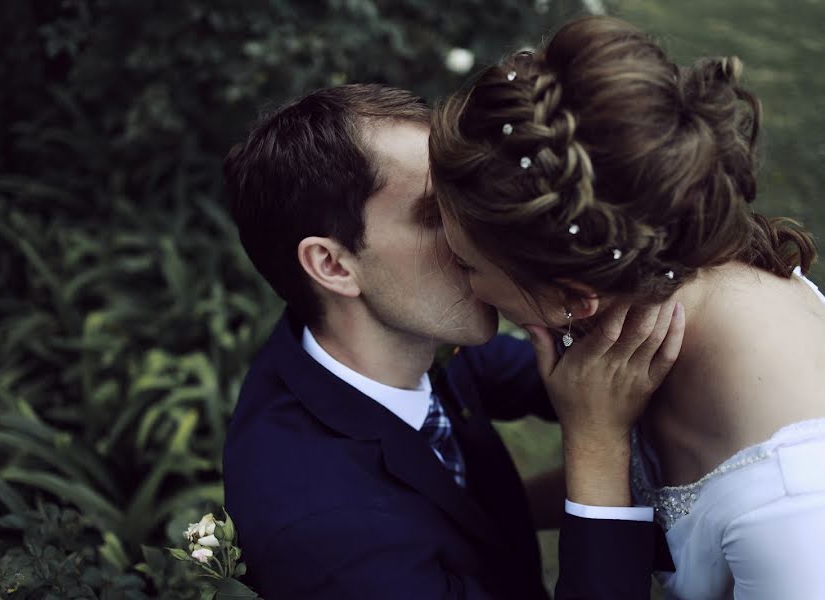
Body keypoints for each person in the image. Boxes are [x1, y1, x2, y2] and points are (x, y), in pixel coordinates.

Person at [221, 83, 682, 600]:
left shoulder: (393, 338)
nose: (480, 234)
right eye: (436, 215)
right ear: (333, 265)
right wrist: (596, 443)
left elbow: (584, 375)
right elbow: (595, 409)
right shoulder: (330, 535)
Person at [428, 15, 825, 600]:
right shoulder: (660, 293)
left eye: (465, 264)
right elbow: (652, 491)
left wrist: (594, 440)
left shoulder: (795, 521)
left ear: (573, 296)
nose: (444, 270)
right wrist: (483, 516)